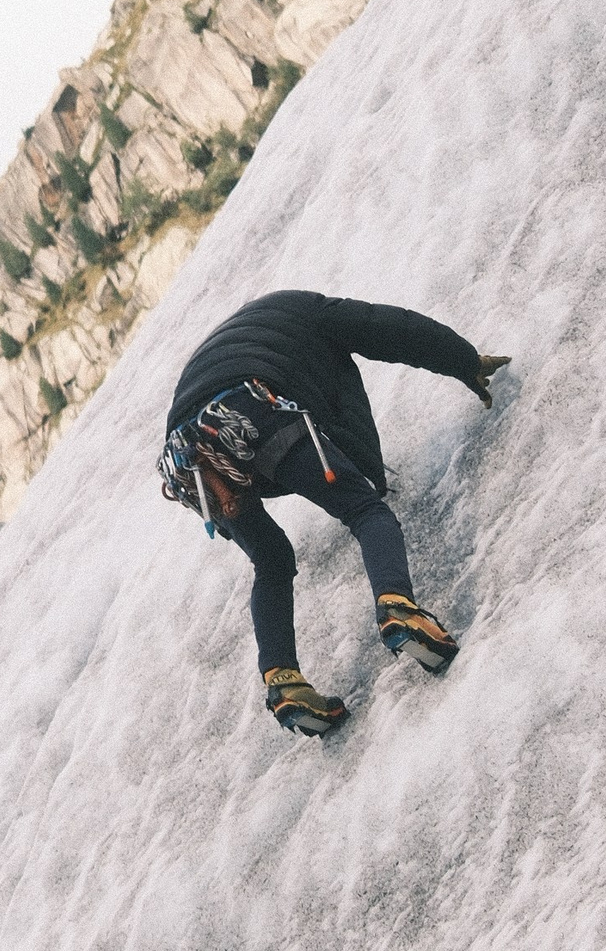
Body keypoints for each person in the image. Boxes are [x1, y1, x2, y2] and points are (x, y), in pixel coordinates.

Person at [160, 289, 507, 737]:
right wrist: (466, 362)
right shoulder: (307, 311)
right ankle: (398, 609)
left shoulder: (250, 334)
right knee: (364, 511)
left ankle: (283, 681)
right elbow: (392, 329)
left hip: (187, 454)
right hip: (249, 407)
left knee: (270, 562)